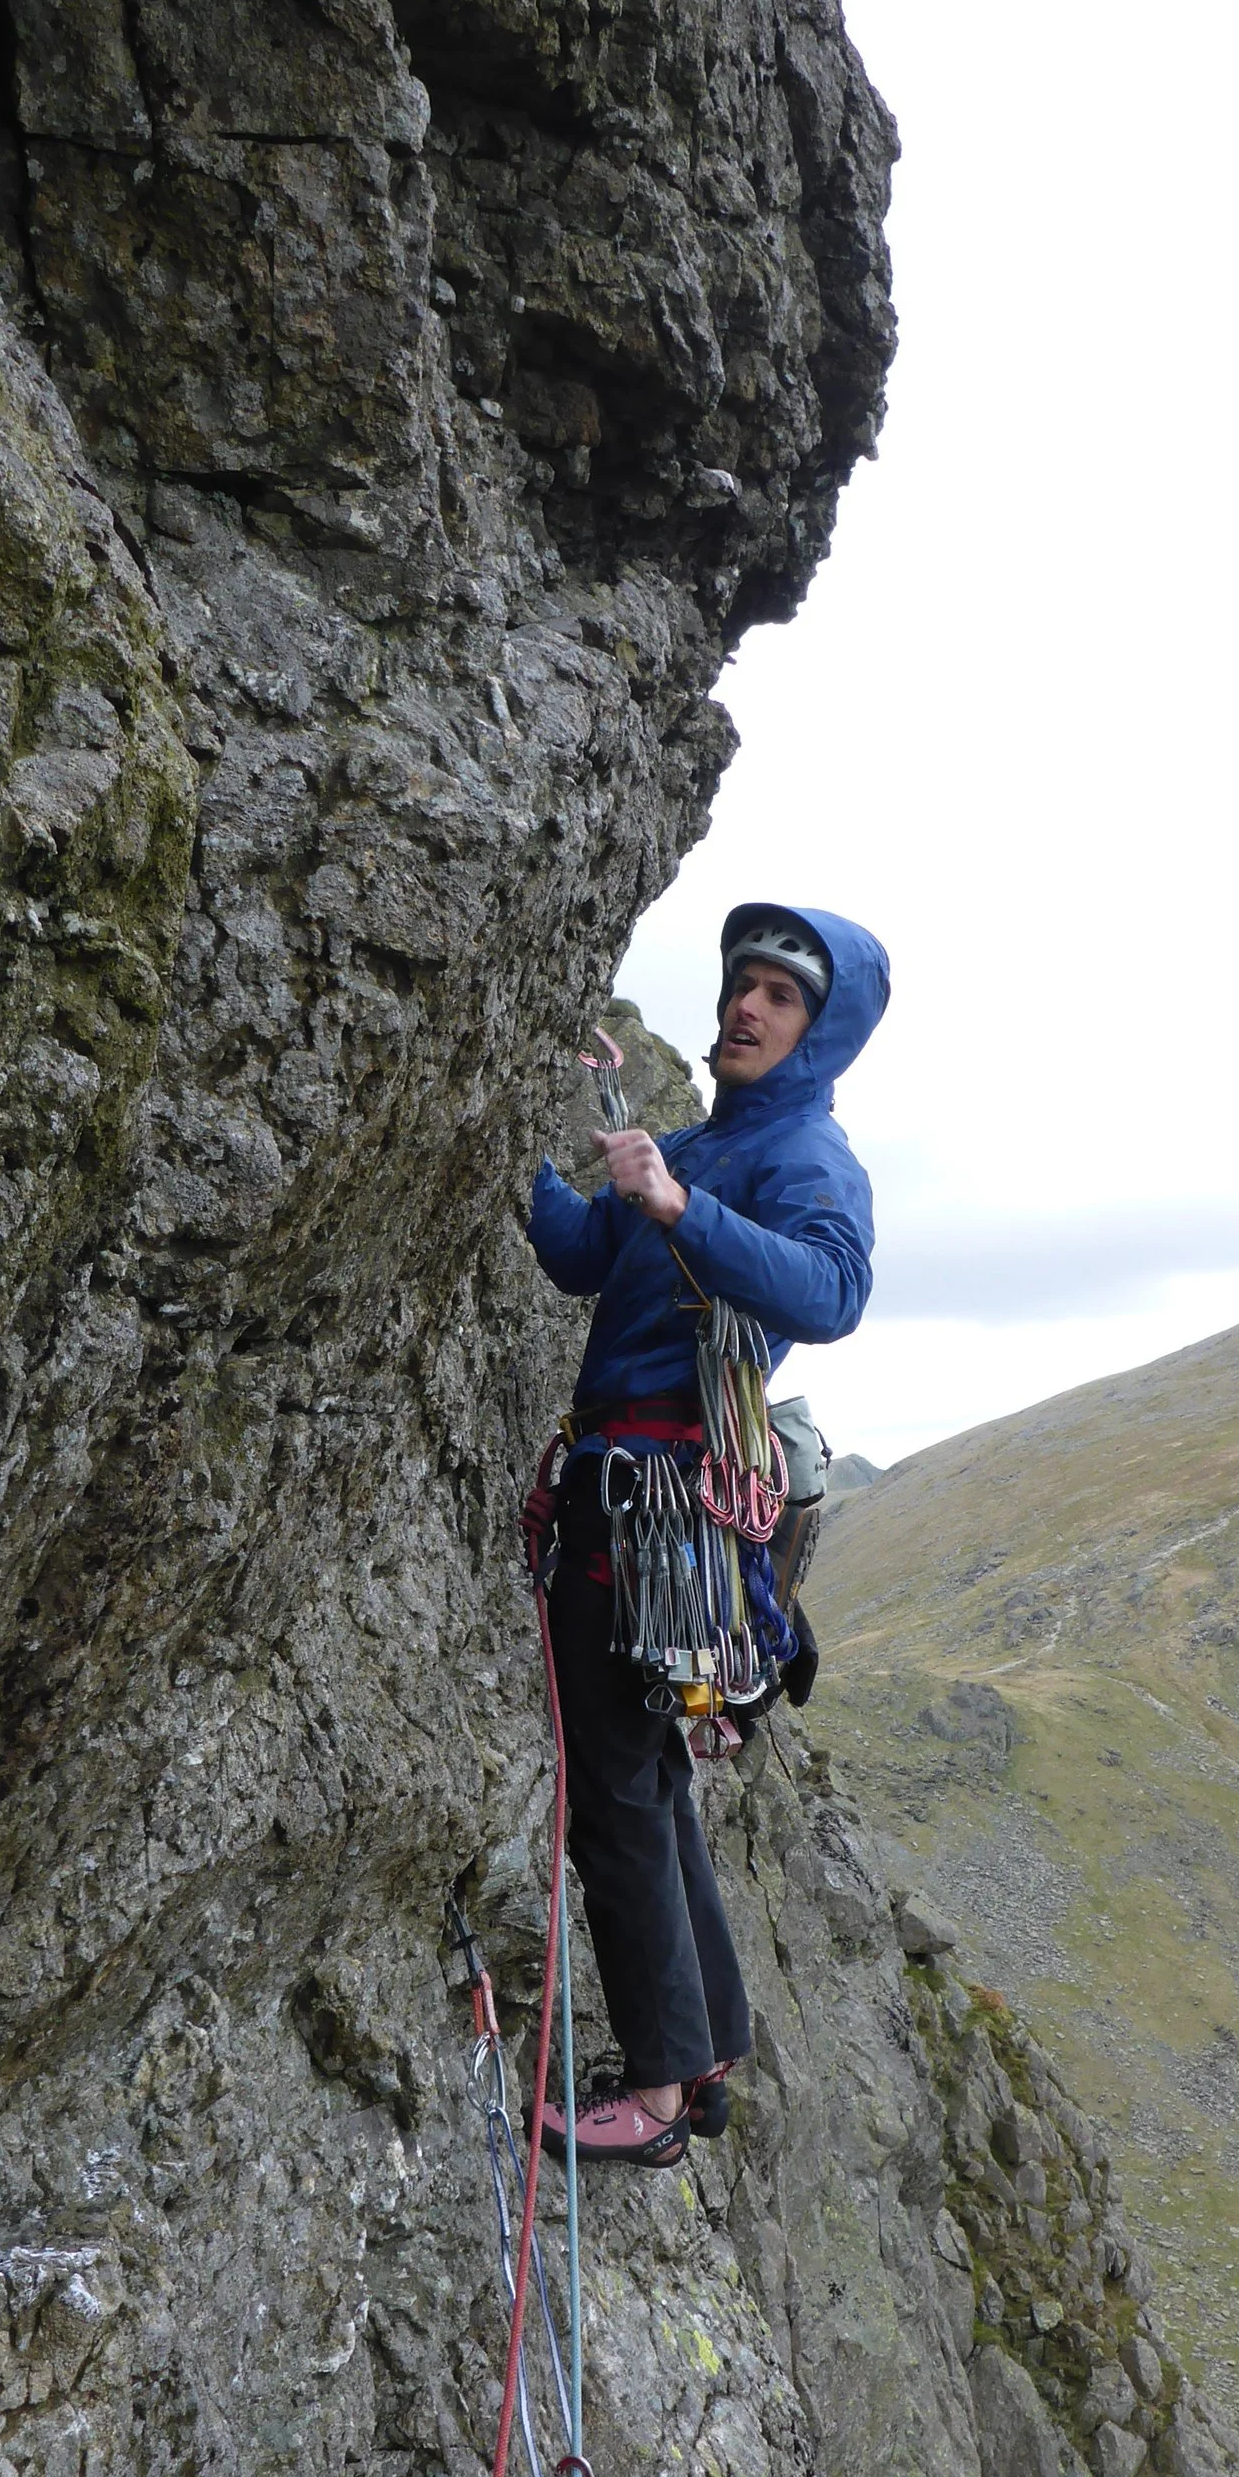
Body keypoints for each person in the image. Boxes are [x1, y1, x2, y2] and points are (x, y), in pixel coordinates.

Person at [524, 904, 889, 2163]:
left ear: (820, 1032)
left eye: (781, 996)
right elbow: (582, 1257)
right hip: (634, 1491)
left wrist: (683, 1208)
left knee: (613, 1789)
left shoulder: (806, 1154)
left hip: (659, 1503)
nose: (746, 1006)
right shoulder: (689, 1145)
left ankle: (659, 2094)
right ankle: (707, 2045)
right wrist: (526, 1146)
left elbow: (832, 1290)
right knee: (651, 1779)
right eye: (743, 983)